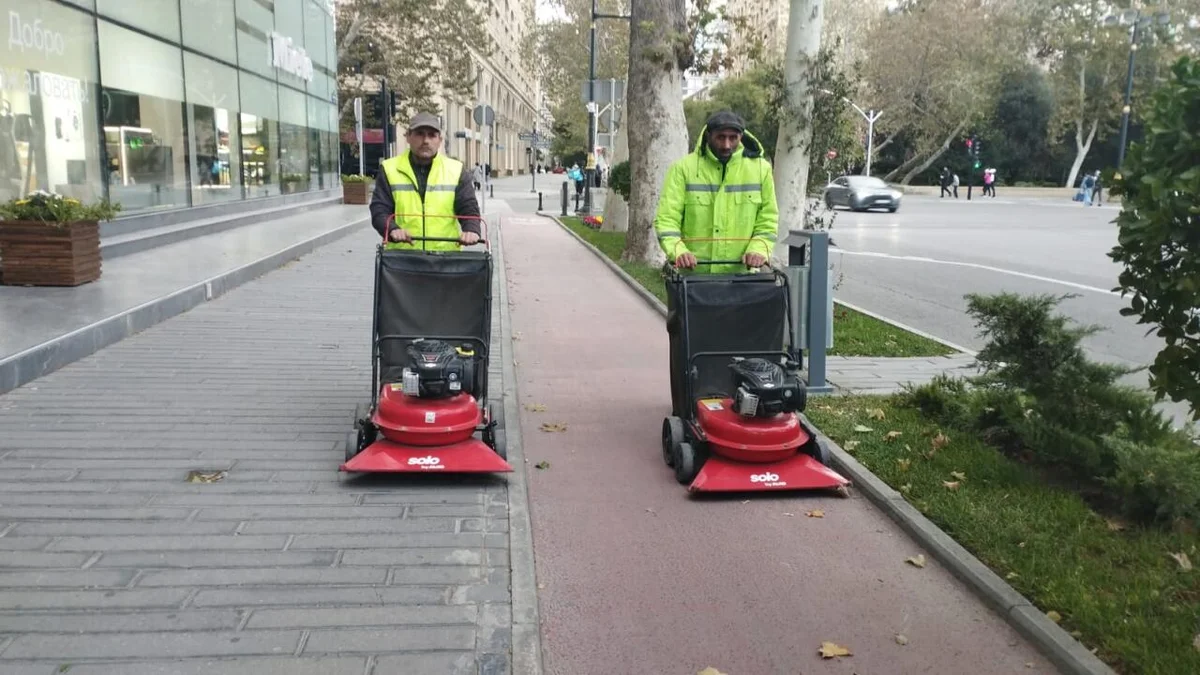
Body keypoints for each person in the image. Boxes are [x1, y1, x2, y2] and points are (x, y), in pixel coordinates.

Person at [652, 110, 780, 418]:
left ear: (741, 137)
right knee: (694, 352)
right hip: (694, 283)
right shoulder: (685, 169)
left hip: (741, 282)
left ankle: (743, 403)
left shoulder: (760, 169)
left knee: (739, 348)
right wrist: (677, 249)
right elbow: (667, 219)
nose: (726, 144)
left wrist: (759, 248)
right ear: (707, 136)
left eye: (732, 138)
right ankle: (689, 409)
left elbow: (768, 220)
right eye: (720, 137)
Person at [368, 112, 482, 251]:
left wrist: (472, 229)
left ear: (440, 139)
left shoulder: (456, 170)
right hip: (402, 260)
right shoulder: (389, 169)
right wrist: (392, 229)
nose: (426, 140)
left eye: (432, 135)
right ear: (408, 137)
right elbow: (379, 209)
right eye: (420, 134)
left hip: (445, 261)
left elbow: (468, 207)